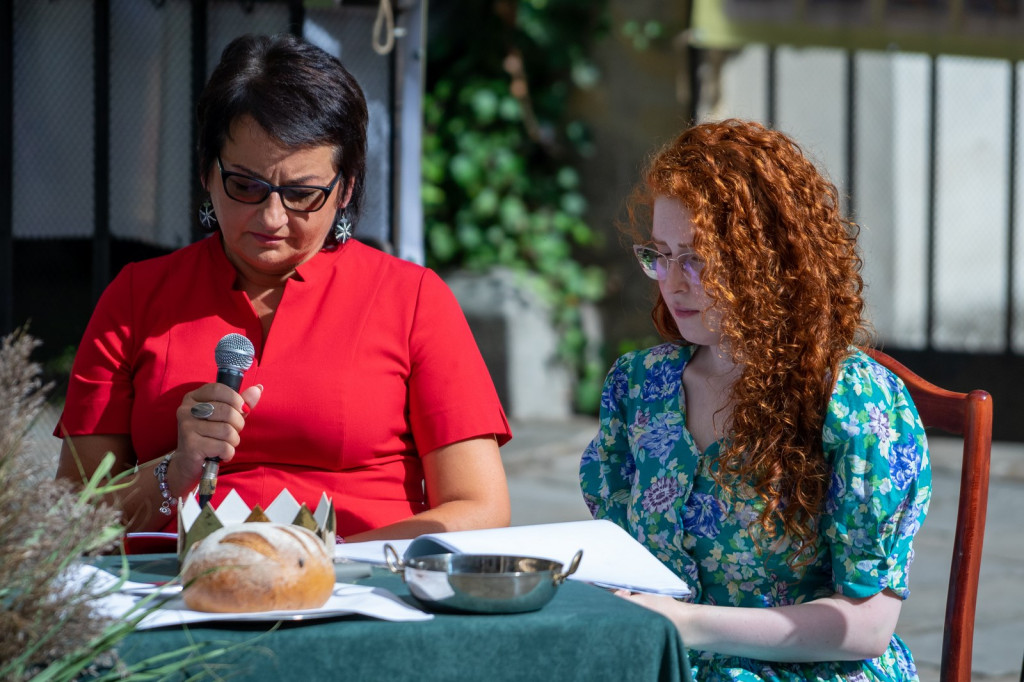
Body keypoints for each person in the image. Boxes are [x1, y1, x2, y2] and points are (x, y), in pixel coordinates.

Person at [55, 33, 511, 544]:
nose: (272, 218)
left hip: (361, 579)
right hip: (180, 581)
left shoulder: (412, 298)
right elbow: (69, 521)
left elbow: (480, 508)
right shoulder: (138, 297)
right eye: (245, 186)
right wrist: (174, 471)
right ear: (207, 172)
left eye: (301, 193)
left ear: (346, 188)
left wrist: (317, 559)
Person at [579, 119, 932, 681]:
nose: (672, 281)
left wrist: (687, 624)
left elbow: (866, 628)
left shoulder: (851, 398)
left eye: (697, 257)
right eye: (661, 254)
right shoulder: (639, 387)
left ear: (769, 260)